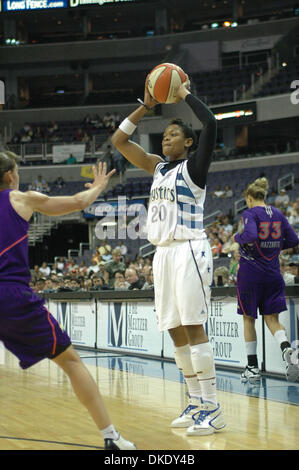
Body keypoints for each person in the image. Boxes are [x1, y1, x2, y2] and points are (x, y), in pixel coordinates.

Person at [111, 76, 226, 436]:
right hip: (162, 254)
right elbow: (119, 141)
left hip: (189, 248)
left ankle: (213, 407)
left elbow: (212, 123)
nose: (166, 138)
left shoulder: (194, 168)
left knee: (193, 326)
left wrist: (182, 94)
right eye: (164, 135)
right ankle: (195, 402)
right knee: (175, 331)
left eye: (174, 134)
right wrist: (146, 105)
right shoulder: (158, 168)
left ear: (189, 142)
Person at [0, 151, 136, 450]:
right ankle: (111, 437)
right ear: (10, 175)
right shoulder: (21, 199)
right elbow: (78, 202)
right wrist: (98, 186)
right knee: (71, 361)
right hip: (12, 295)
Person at [233, 177, 299, 382]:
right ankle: (286, 348)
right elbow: (294, 239)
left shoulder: (250, 213)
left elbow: (251, 234)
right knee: (272, 319)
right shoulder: (278, 213)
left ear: (250, 198)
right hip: (273, 273)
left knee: (248, 318)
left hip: (250, 274)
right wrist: (275, 246)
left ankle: (252, 368)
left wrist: (238, 240)